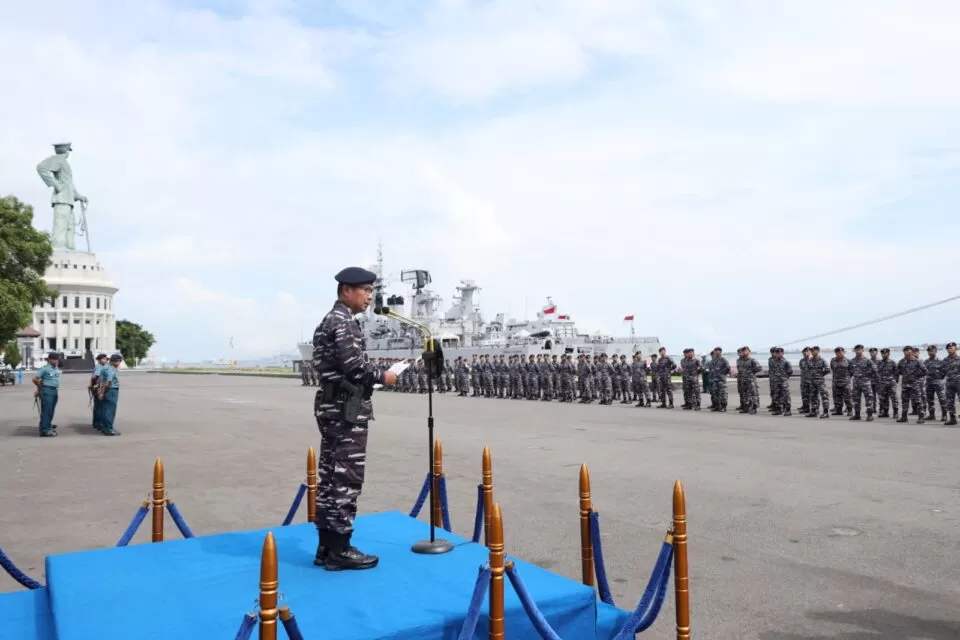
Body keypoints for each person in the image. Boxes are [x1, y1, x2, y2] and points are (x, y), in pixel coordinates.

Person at [312, 266, 398, 571]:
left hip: (334, 407)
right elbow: (354, 366)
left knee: (331, 477)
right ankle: (341, 549)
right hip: (345, 411)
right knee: (346, 477)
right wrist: (383, 376)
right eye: (365, 291)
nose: (369, 297)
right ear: (347, 291)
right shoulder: (343, 322)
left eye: (371, 291)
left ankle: (327, 545)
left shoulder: (332, 320)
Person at [32, 352, 61, 437]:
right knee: (47, 411)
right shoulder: (45, 368)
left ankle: (47, 426)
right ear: (49, 360)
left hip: (54, 390)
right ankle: (44, 430)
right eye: (55, 359)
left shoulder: (55, 368)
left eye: (57, 359)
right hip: (47, 390)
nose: (56, 361)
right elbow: (35, 379)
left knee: (51, 410)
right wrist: (40, 388)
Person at [97, 354, 123, 436]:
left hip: (107, 390)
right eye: (119, 361)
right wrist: (102, 393)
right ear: (114, 361)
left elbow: (100, 379)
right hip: (111, 390)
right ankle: (109, 429)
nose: (119, 363)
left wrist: (101, 391)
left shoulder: (105, 367)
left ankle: (105, 427)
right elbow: (108, 382)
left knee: (105, 410)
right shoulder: (111, 369)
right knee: (110, 411)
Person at [90, 353, 108, 430]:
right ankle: (98, 423)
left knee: (98, 406)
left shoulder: (101, 366)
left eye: (106, 359)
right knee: (100, 406)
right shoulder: (99, 367)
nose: (106, 360)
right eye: (104, 359)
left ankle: (96, 423)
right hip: (99, 388)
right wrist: (96, 385)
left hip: (97, 387)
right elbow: (95, 377)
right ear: (99, 360)